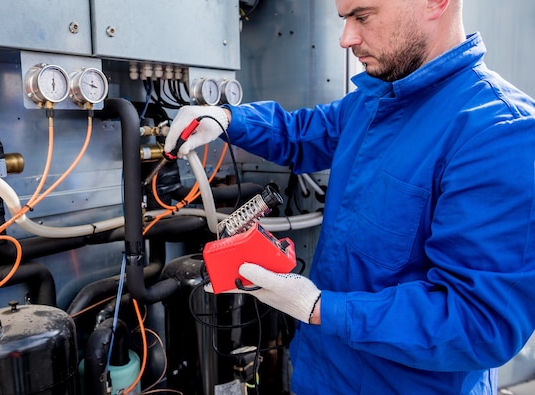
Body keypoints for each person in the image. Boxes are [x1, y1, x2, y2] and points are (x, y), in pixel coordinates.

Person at [164, 0, 535, 393]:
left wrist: (322, 308)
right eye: (344, 20)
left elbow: (480, 324)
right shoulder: (375, 100)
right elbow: (302, 133)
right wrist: (228, 120)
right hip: (321, 374)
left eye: (362, 16)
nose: (346, 39)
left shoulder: (499, 133)